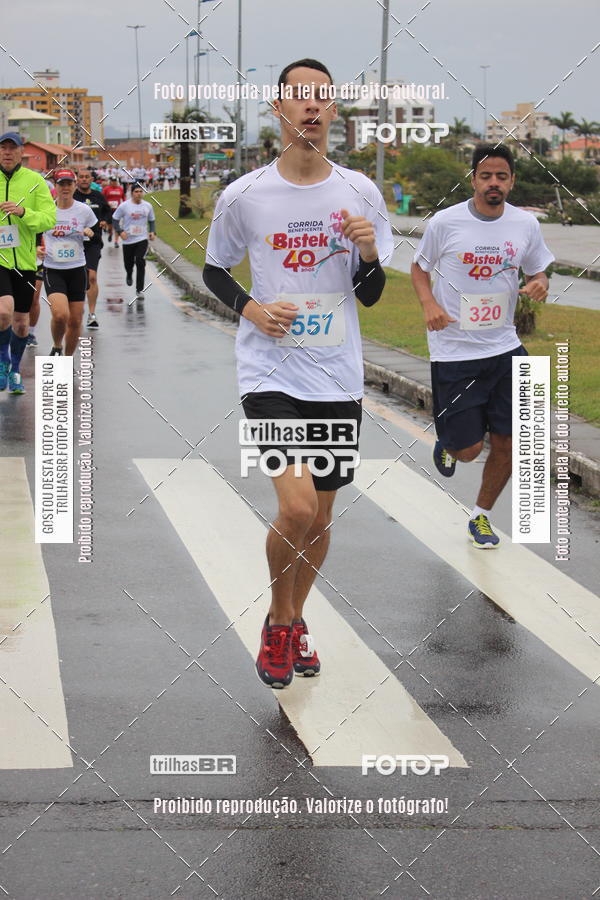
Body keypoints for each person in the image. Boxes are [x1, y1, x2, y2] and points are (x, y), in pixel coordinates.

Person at [203, 58, 393, 689]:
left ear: (334, 112)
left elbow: (370, 295)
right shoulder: (246, 195)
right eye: (299, 97)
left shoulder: (360, 192)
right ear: (277, 109)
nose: (311, 107)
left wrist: (367, 253)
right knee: (297, 506)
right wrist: (253, 308)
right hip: (269, 375)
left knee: (322, 518)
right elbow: (213, 270)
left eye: (323, 98)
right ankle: (280, 622)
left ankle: (292, 618)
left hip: (337, 376)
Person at [411, 144, 555, 548]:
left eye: (502, 176)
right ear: (473, 179)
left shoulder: (524, 224)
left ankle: (482, 516)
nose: (494, 183)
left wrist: (541, 281)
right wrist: (429, 305)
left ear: (512, 182)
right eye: (486, 176)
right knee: (471, 449)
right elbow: (419, 269)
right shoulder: (446, 222)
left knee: (513, 441)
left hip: (506, 348)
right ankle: (451, 442)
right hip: (455, 351)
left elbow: (538, 266)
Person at [0, 132, 56, 394]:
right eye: (3, 148)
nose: (7, 152)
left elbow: (48, 219)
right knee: (3, 312)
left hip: (24, 260)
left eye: (12, 148)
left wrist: (24, 212)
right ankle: (2, 361)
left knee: (21, 323)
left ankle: (14, 369)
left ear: (22, 152)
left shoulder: (35, 182)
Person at [43, 168, 97, 356]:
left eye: (69, 184)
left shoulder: (84, 211)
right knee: (60, 315)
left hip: (77, 269)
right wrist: (36, 248)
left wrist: (91, 233)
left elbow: (96, 236)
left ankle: (67, 358)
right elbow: (33, 234)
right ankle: (57, 344)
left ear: (74, 186)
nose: (65, 188)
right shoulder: (47, 210)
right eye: (61, 184)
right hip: (53, 269)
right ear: (55, 187)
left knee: (75, 320)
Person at [74, 168, 111, 329]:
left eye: (86, 177)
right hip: (74, 243)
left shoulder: (98, 196)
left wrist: (104, 221)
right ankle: (77, 308)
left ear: (91, 179)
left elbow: (108, 212)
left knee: (92, 277)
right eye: (81, 177)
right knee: (78, 278)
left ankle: (92, 314)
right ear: (77, 179)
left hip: (93, 242)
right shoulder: (73, 197)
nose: (83, 179)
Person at [112, 185, 156, 299]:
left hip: (142, 239)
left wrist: (152, 232)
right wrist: (120, 231)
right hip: (128, 239)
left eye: (141, 191)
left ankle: (139, 289)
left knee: (140, 261)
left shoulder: (147, 206)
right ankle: (129, 274)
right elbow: (115, 219)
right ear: (132, 193)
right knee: (128, 263)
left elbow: (152, 221)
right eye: (136, 191)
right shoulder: (124, 206)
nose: (139, 193)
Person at [102, 175, 125, 248]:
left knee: (116, 225)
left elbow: (123, 198)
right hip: (108, 210)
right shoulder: (106, 189)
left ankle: (116, 241)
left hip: (117, 210)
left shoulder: (120, 189)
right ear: (110, 182)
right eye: (113, 182)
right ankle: (110, 233)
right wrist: (106, 204)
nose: (114, 183)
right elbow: (102, 198)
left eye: (115, 182)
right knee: (110, 226)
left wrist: (124, 205)